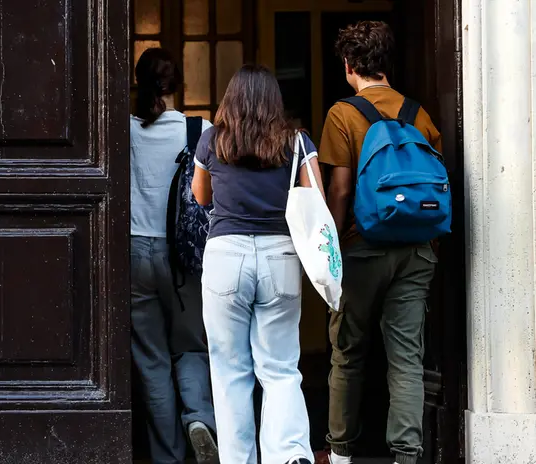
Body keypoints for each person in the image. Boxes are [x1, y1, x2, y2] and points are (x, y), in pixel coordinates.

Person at [319, 21, 442, 464]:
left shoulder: (343, 113)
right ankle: (407, 455)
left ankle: (341, 453)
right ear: (386, 64)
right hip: (416, 250)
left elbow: (341, 190)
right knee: (407, 358)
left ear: (350, 66)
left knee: (348, 353)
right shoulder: (419, 113)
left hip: (362, 247)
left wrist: (330, 250)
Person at [191, 64, 323, 464]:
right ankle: (288, 455)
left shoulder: (212, 140)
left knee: (230, 371)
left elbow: (200, 196)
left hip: (225, 256)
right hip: (279, 256)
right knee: (280, 365)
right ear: (274, 102)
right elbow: (314, 195)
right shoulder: (295, 141)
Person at [129, 47, 218, 464]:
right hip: (183, 258)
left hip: (133, 253)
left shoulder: (120, 132)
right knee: (191, 348)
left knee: (151, 360)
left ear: (138, 84)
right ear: (178, 83)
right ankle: (199, 419)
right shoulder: (200, 130)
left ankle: (167, 457)